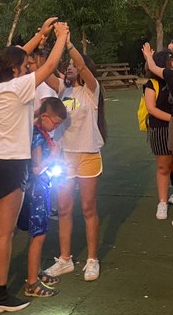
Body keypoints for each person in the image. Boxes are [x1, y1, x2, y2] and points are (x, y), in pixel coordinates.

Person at [0, 19, 68, 313]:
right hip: (9, 165)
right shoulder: (18, 87)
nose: (28, 67)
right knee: (5, 233)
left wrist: (40, 33)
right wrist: (61, 37)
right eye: (23, 66)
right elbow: (48, 67)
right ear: (15, 69)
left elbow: (10, 58)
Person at [44, 41, 107, 283]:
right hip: (64, 156)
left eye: (72, 65)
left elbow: (80, 63)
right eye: (67, 65)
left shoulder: (91, 90)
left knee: (89, 208)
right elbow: (45, 70)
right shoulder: (62, 89)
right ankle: (65, 259)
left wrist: (68, 43)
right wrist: (47, 39)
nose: (69, 67)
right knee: (64, 209)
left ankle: (92, 259)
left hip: (88, 155)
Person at [20, 97, 68, 298]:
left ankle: (36, 272)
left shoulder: (39, 132)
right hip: (36, 191)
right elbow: (37, 168)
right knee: (38, 235)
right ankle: (32, 283)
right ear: (45, 116)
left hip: (41, 188)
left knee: (38, 233)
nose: (55, 127)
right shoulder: (38, 137)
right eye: (55, 123)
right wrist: (54, 156)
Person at [142, 49, 173, 220]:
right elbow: (151, 108)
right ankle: (162, 202)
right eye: (171, 59)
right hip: (160, 129)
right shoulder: (152, 83)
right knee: (164, 167)